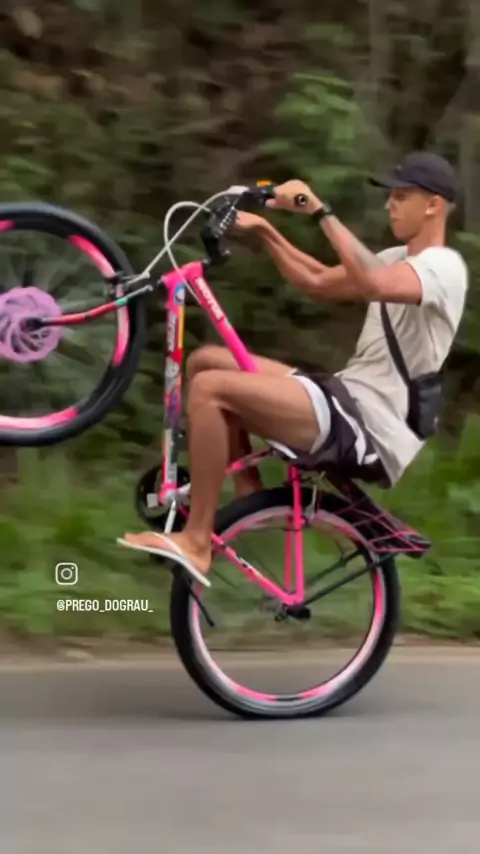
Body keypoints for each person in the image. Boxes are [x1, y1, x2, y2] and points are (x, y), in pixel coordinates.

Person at [118, 151, 469, 587]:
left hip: (371, 426)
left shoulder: (444, 268)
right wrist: (266, 232)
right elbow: (317, 280)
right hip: (346, 397)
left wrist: (319, 211)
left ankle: (197, 541)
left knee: (210, 389)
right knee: (205, 360)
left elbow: (375, 283)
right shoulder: (399, 256)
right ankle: (251, 496)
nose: (389, 205)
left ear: (433, 205)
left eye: (400, 197)